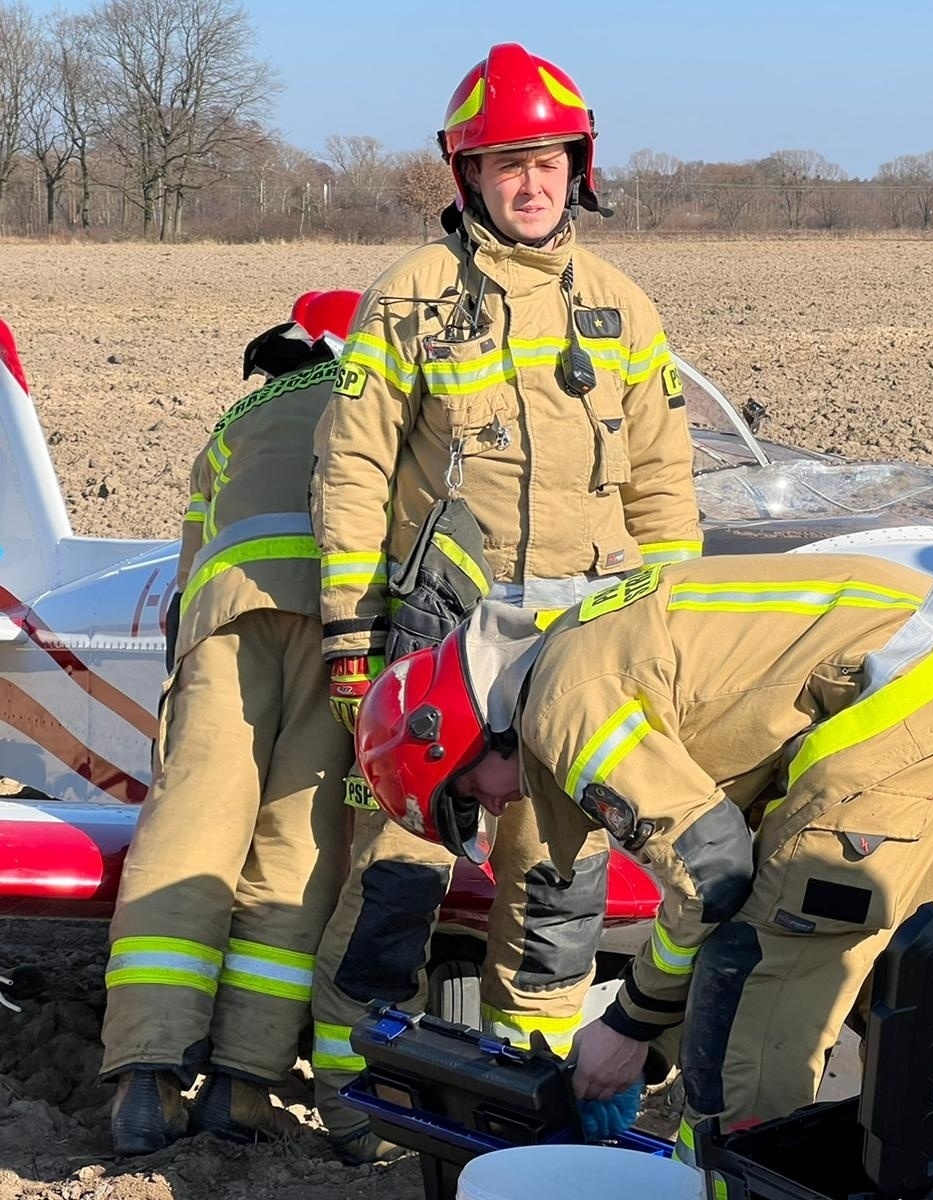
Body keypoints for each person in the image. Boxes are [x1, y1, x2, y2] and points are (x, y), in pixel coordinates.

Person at [307, 43, 702, 1161]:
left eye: (545, 162)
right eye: (503, 165)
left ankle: (537, 1089)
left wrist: (666, 622)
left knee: (559, 874)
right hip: (447, 638)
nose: (529, 184)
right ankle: (353, 1080)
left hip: (586, 636)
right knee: (401, 869)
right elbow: (352, 471)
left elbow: (665, 483)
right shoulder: (413, 299)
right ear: (466, 177)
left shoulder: (624, 307)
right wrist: (353, 638)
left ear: (578, 168)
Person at [352, 554, 933, 1155]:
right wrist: (650, 1043)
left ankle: (736, 1173)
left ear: (467, 736)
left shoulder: (561, 706)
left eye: (472, 793)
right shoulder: (569, 658)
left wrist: (627, 1030)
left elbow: (714, 876)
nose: (497, 810)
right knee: (901, 973)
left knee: (760, 990)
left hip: (901, 688)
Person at [99, 291, 362, 1155]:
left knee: (190, 829)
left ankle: (147, 1075)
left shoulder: (238, 417)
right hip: (341, 629)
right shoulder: (385, 393)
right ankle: (243, 1088)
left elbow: (188, 561)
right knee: (298, 846)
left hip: (225, 621)